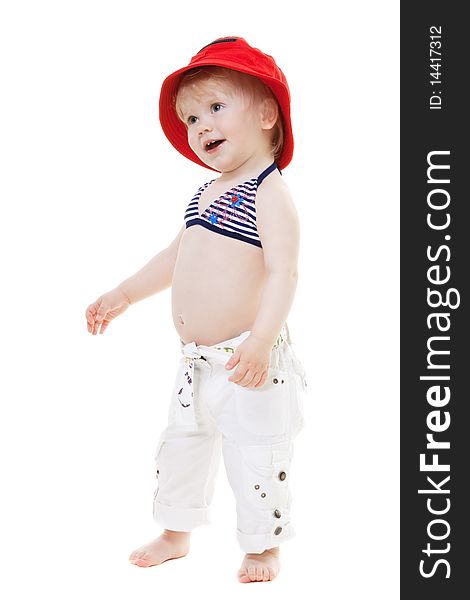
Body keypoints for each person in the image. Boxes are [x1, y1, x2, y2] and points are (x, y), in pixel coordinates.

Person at [85, 36, 308, 583]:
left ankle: (263, 545)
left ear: (265, 113)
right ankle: (175, 530)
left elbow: (284, 272)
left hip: (247, 362)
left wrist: (261, 339)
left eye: (214, 107)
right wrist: (123, 294)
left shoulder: (267, 191)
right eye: (189, 117)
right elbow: (175, 256)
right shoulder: (206, 192)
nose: (200, 125)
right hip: (196, 361)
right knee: (182, 444)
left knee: (256, 456)